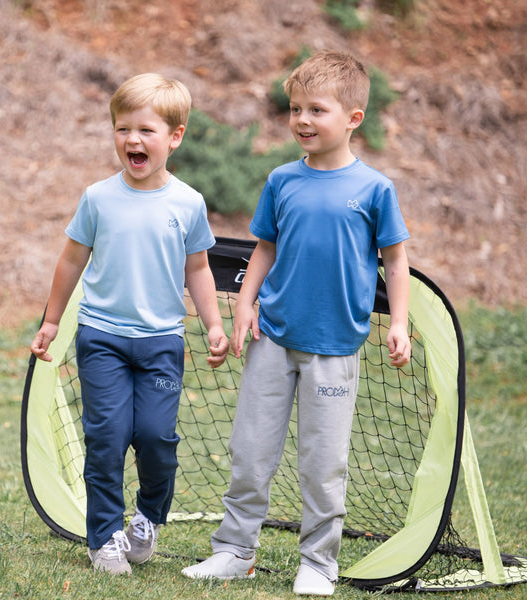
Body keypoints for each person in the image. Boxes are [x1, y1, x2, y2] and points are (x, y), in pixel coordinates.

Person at [181, 50, 411, 596]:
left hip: (335, 346)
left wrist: (397, 322)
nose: (302, 120)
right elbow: (264, 249)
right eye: (295, 108)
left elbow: (395, 260)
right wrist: (244, 303)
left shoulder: (375, 189)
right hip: (272, 339)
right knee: (250, 449)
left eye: (317, 110)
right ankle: (235, 551)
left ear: (353, 118)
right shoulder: (282, 180)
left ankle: (319, 563)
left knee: (323, 462)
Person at [30, 73, 229, 576]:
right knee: (107, 437)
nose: (133, 141)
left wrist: (213, 324)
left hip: (162, 341)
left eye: (146, 131)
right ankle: (104, 538)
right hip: (102, 340)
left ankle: (147, 518)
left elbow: (199, 269)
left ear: (175, 136)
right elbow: (71, 261)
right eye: (123, 129)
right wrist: (52, 322)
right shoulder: (98, 198)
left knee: (157, 439)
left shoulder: (187, 203)